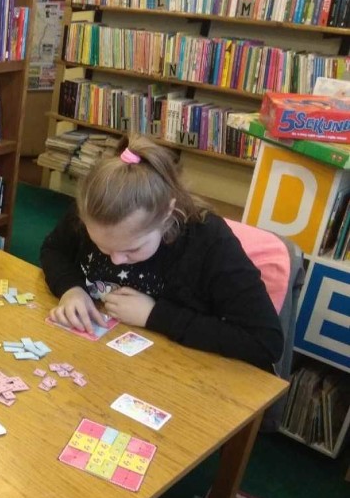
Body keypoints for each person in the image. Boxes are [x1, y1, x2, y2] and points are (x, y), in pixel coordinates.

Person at [41, 135, 283, 372]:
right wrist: (71, 289)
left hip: (184, 373)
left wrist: (155, 315)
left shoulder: (209, 241)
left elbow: (265, 342)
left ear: (168, 213)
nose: (115, 259)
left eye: (132, 249)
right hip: (106, 363)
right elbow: (54, 249)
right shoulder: (97, 210)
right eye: (102, 246)